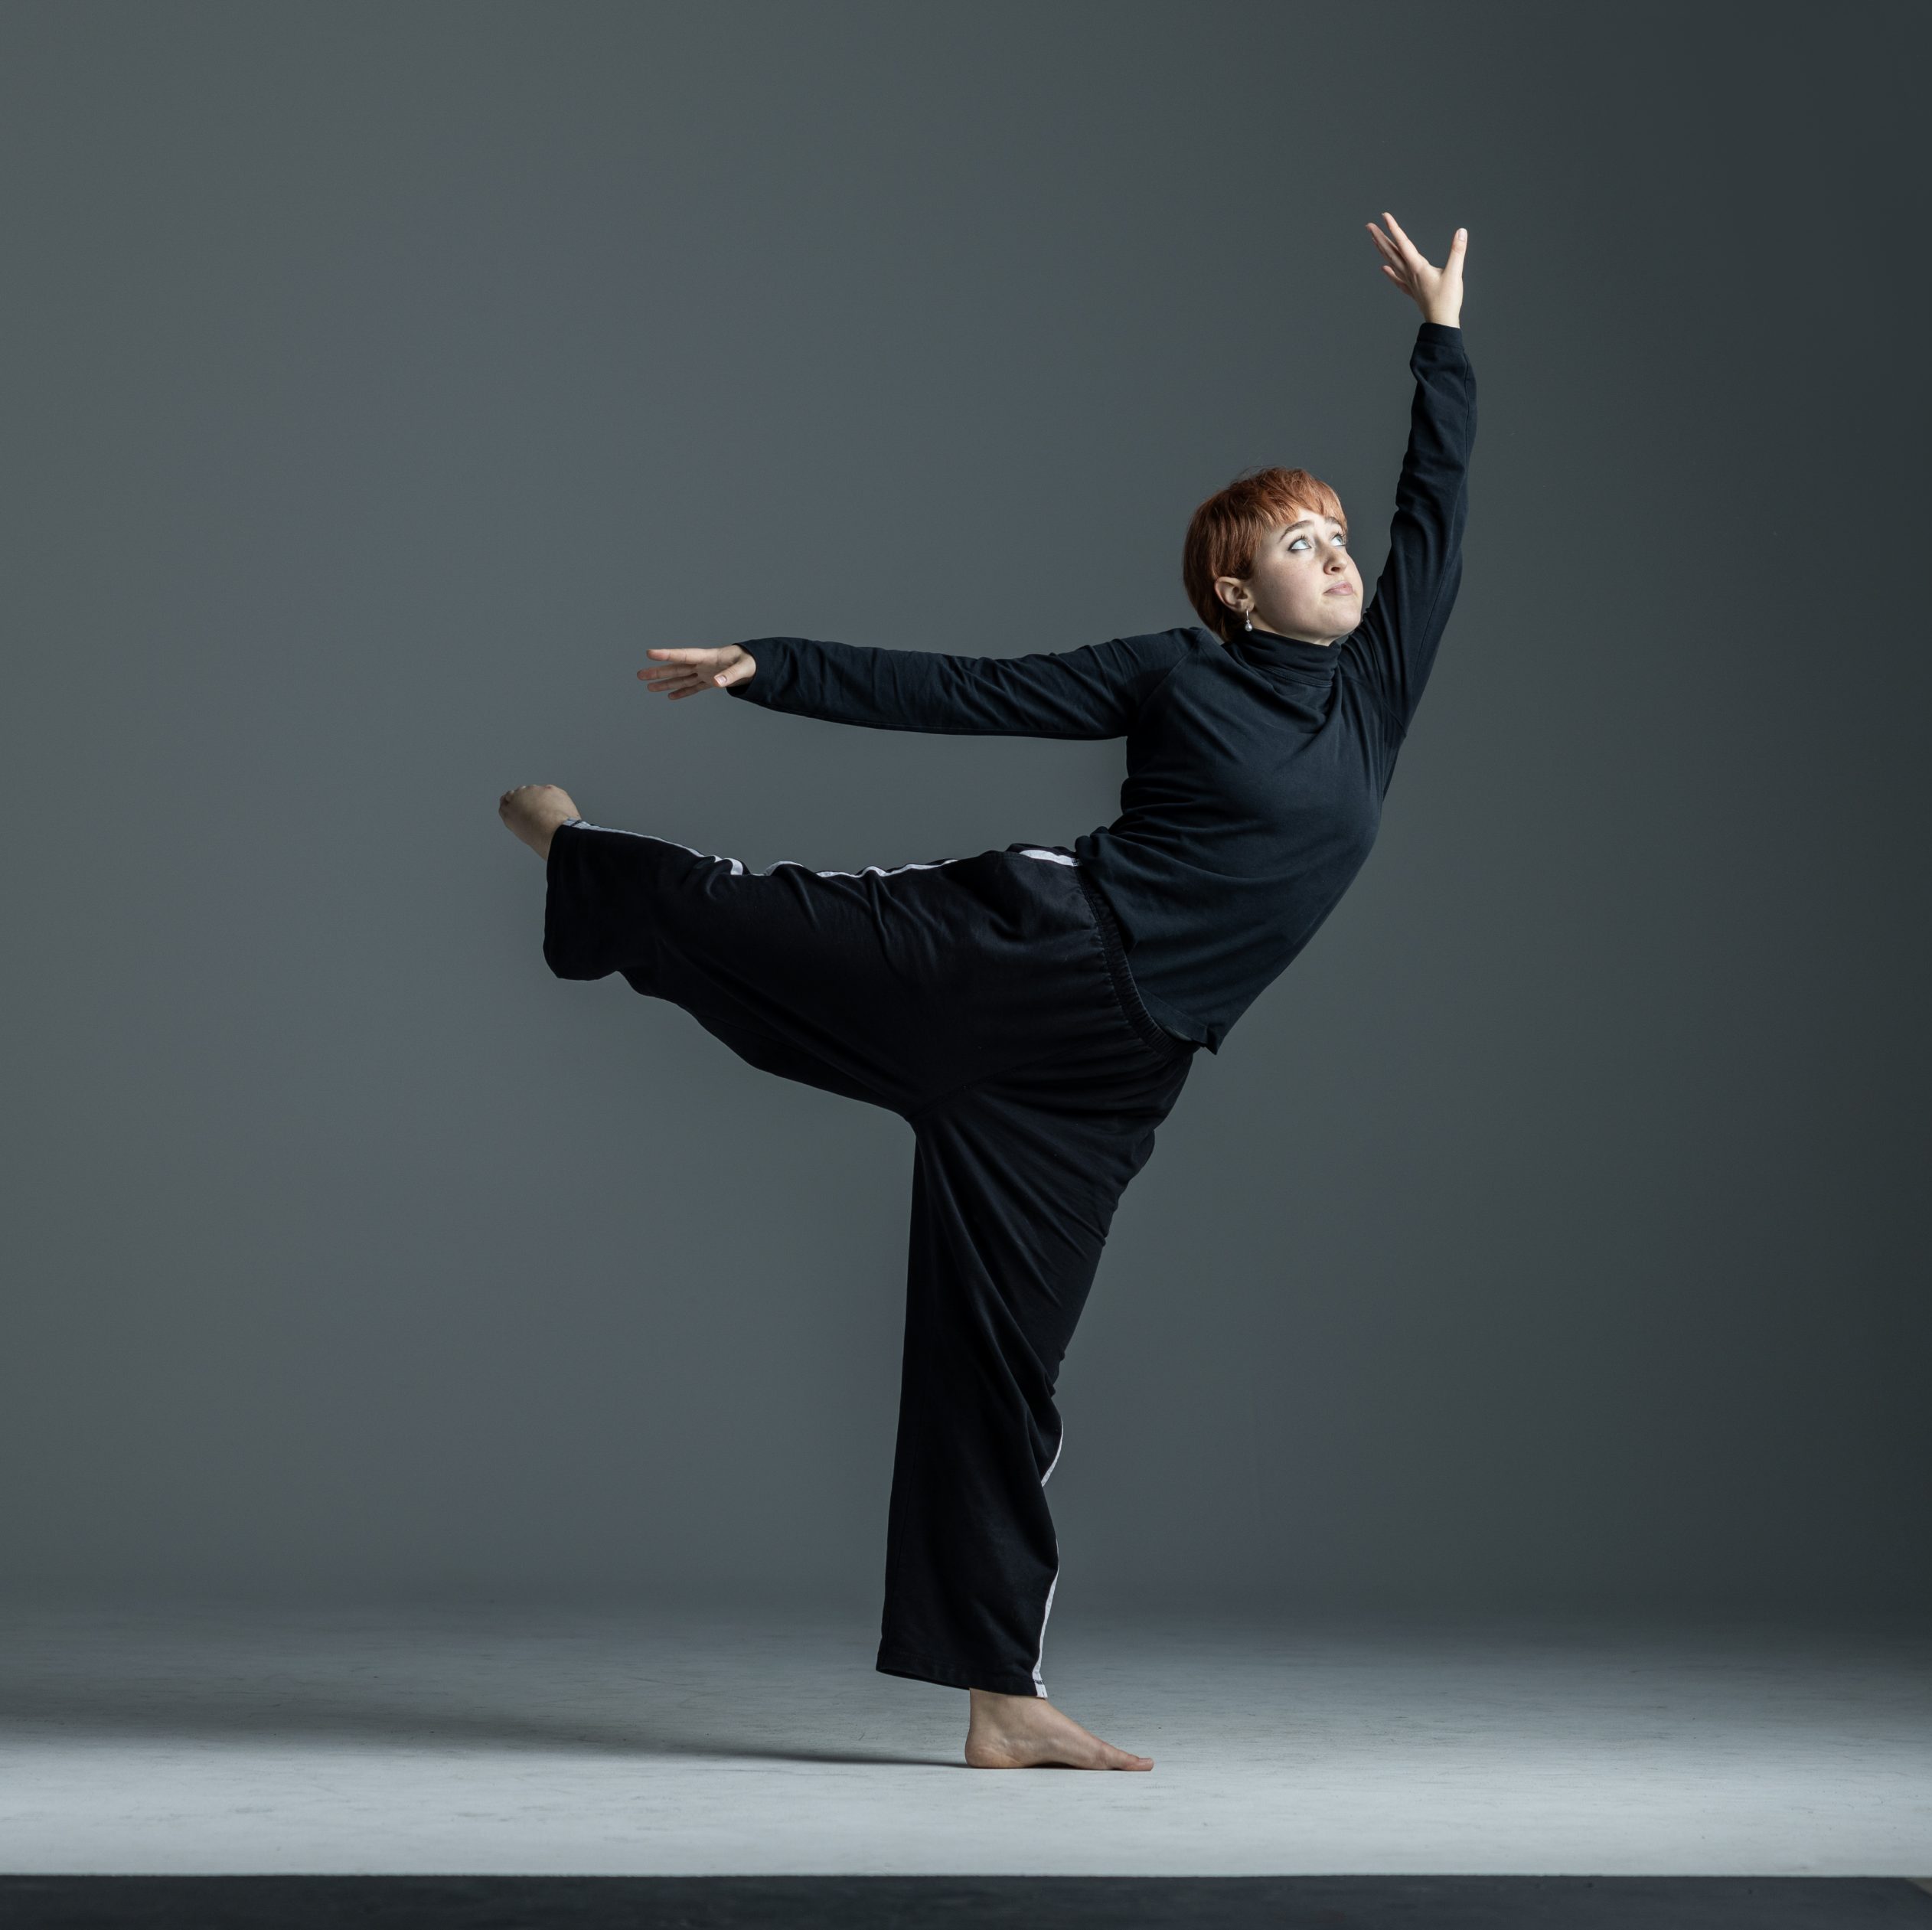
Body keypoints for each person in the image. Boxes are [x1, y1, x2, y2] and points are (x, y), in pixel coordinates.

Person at [498, 212, 1474, 1770]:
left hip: (1110, 1083)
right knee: (770, 920)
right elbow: (973, 693)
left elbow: (1436, 513)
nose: (1335, 553)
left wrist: (1439, 339)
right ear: (1232, 591)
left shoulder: (1373, 699)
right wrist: (775, 661)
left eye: (1333, 531)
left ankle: (998, 1695)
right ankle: (576, 847)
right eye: (1296, 541)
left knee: (996, 1369)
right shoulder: (1173, 671)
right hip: (1031, 950)